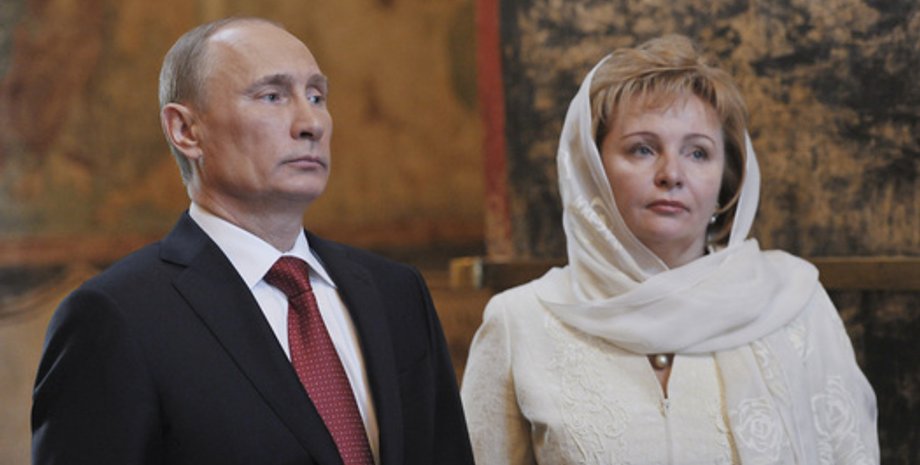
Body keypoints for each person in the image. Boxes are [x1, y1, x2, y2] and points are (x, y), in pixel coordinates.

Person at [32, 17, 474, 465]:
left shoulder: (396, 291)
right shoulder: (116, 316)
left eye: (316, 96)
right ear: (186, 130)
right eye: (272, 96)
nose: (311, 124)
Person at [461, 35, 878, 464]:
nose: (672, 174)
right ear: (592, 172)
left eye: (698, 153)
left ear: (725, 180)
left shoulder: (795, 306)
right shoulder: (520, 322)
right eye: (642, 149)